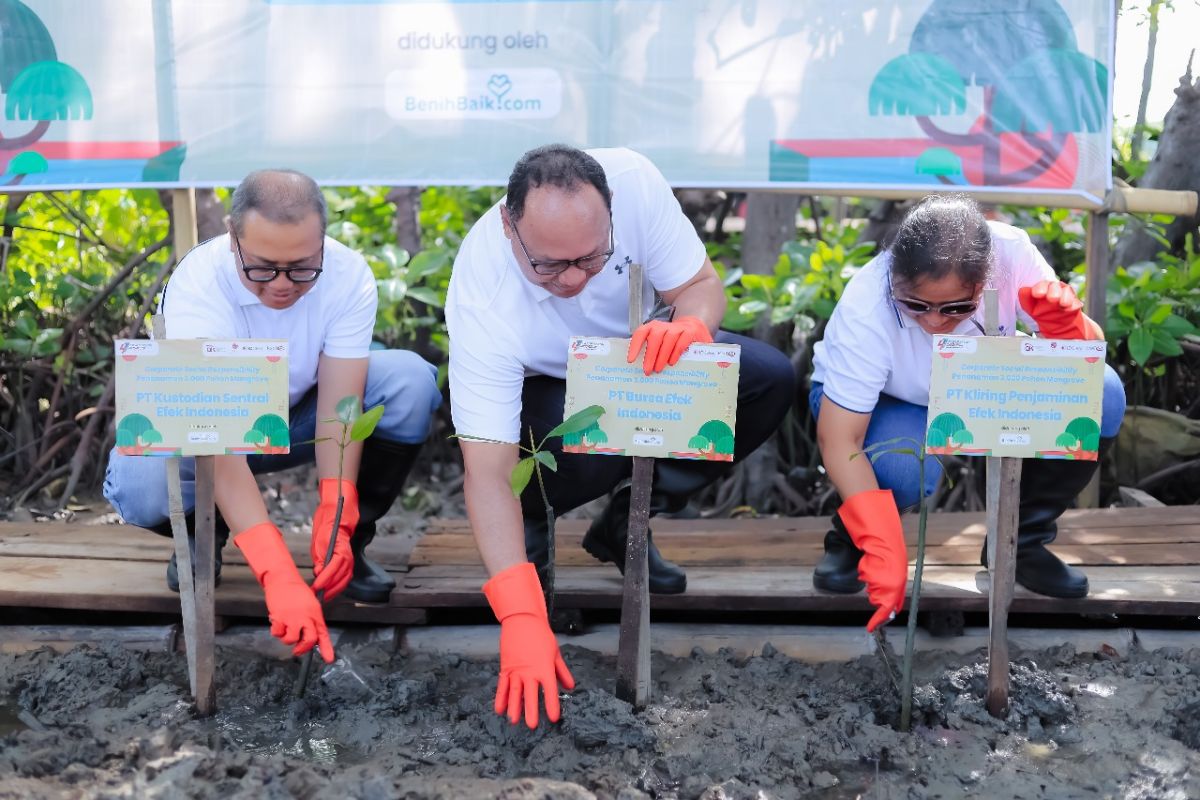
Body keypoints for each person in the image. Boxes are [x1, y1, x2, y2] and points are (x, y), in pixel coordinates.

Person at [446, 145, 795, 728]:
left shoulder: (635, 182)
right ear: (510, 227)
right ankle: (534, 530)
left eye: (591, 257)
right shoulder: (482, 294)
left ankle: (627, 519)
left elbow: (701, 285)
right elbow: (486, 472)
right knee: (538, 468)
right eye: (551, 267)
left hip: (644, 358)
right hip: (545, 396)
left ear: (611, 209)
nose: (577, 279)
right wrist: (519, 617)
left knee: (763, 380)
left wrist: (690, 324)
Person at [104, 169, 441, 662]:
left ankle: (347, 552)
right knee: (141, 487)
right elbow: (214, 439)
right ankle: (208, 533)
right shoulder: (199, 284)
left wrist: (336, 511)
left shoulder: (348, 275)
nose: (283, 285)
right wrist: (276, 572)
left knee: (410, 380)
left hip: (295, 417)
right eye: (262, 268)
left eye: (302, 267)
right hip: (210, 433)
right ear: (232, 239)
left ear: (323, 241)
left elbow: (340, 408)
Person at [809, 194, 1127, 627]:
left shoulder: (1012, 253)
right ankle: (853, 539)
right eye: (915, 305)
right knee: (904, 468)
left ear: (986, 278)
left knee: (1100, 394)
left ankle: (1025, 541)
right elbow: (840, 437)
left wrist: (1068, 329)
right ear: (894, 277)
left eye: (957, 307)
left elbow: (1082, 358)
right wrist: (882, 538)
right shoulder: (866, 303)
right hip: (889, 400)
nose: (935, 321)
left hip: (978, 381)